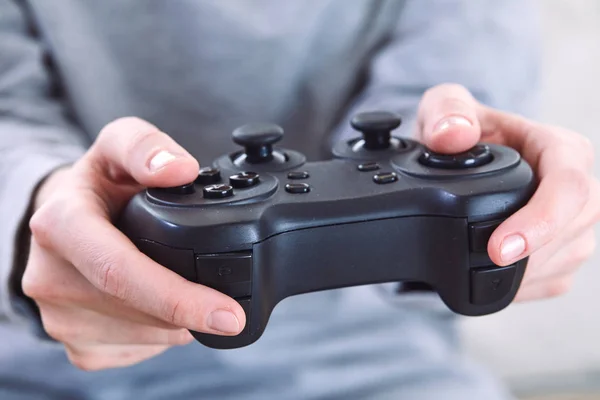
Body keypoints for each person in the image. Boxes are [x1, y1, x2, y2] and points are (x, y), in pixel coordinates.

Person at [0, 1, 598, 399]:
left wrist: (517, 208)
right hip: (47, 364)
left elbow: (446, 118)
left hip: (373, 359)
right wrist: (36, 217)